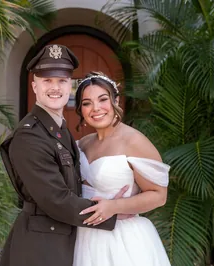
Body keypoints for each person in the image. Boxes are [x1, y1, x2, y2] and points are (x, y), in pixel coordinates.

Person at [0, 45, 129, 266]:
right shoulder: (30, 136)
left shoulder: (57, 129)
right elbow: (55, 199)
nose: (55, 88)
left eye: (61, 80)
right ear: (34, 86)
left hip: (59, 238)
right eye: (47, 81)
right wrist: (110, 212)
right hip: (40, 249)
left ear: (70, 85)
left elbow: (70, 182)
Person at [73, 71, 171, 266]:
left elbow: (159, 196)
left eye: (103, 100)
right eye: (86, 103)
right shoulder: (82, 144)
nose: (96, 108)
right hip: (85, 238)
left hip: (123, 240)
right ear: (80, 110)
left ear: (116, 100)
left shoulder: (134, 141)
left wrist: (114, 207)